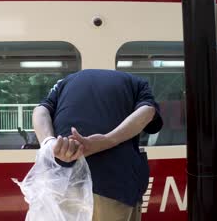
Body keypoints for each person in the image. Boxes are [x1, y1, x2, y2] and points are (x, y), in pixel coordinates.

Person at [32, 69, 163, 221]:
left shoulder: (64, 82)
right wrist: (107, 140)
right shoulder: (138, 84)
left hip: (61, 182)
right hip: (112, 184)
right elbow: (147, 111)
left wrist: (49, 143)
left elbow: (41, 109)